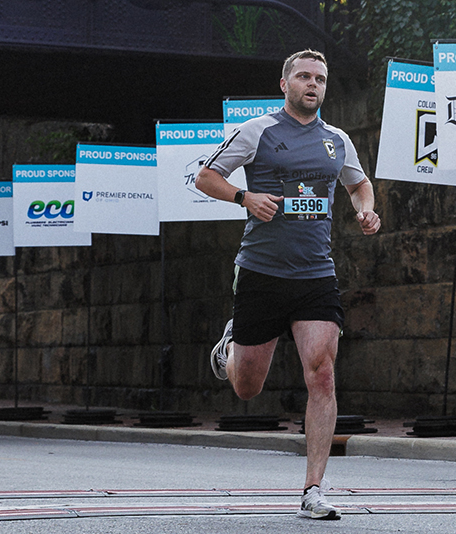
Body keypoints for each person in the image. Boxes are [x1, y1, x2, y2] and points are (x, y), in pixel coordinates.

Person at [195, 49, 380, 521]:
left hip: (316, 272)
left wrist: (365, 208)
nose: (312, 84)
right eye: (303, 76)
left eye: (319, 78)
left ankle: (313, 489)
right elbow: (205, 176)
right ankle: (232, 346)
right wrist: (244, 196)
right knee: (247, 388)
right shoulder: (258, 131)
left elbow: (358, 183)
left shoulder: (336, 140)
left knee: (321, 373)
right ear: (285, 84)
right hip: (261, 271)